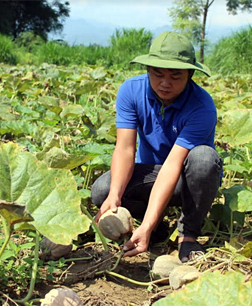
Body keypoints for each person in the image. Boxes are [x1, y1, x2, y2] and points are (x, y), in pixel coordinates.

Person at [91, 31, 222, 262]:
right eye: (157, 74)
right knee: (102, 190)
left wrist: (146, 225)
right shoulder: (131, 91)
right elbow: (125, 149)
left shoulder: (202, 106)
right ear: (148, 70)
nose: (164, 83)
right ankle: (158, 230)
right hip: (151, 173)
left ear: (190, 75)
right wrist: (114, 194)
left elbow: (173, 164)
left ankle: (188, 236)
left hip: (187, 179)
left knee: (204, 159)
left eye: (175, 77)